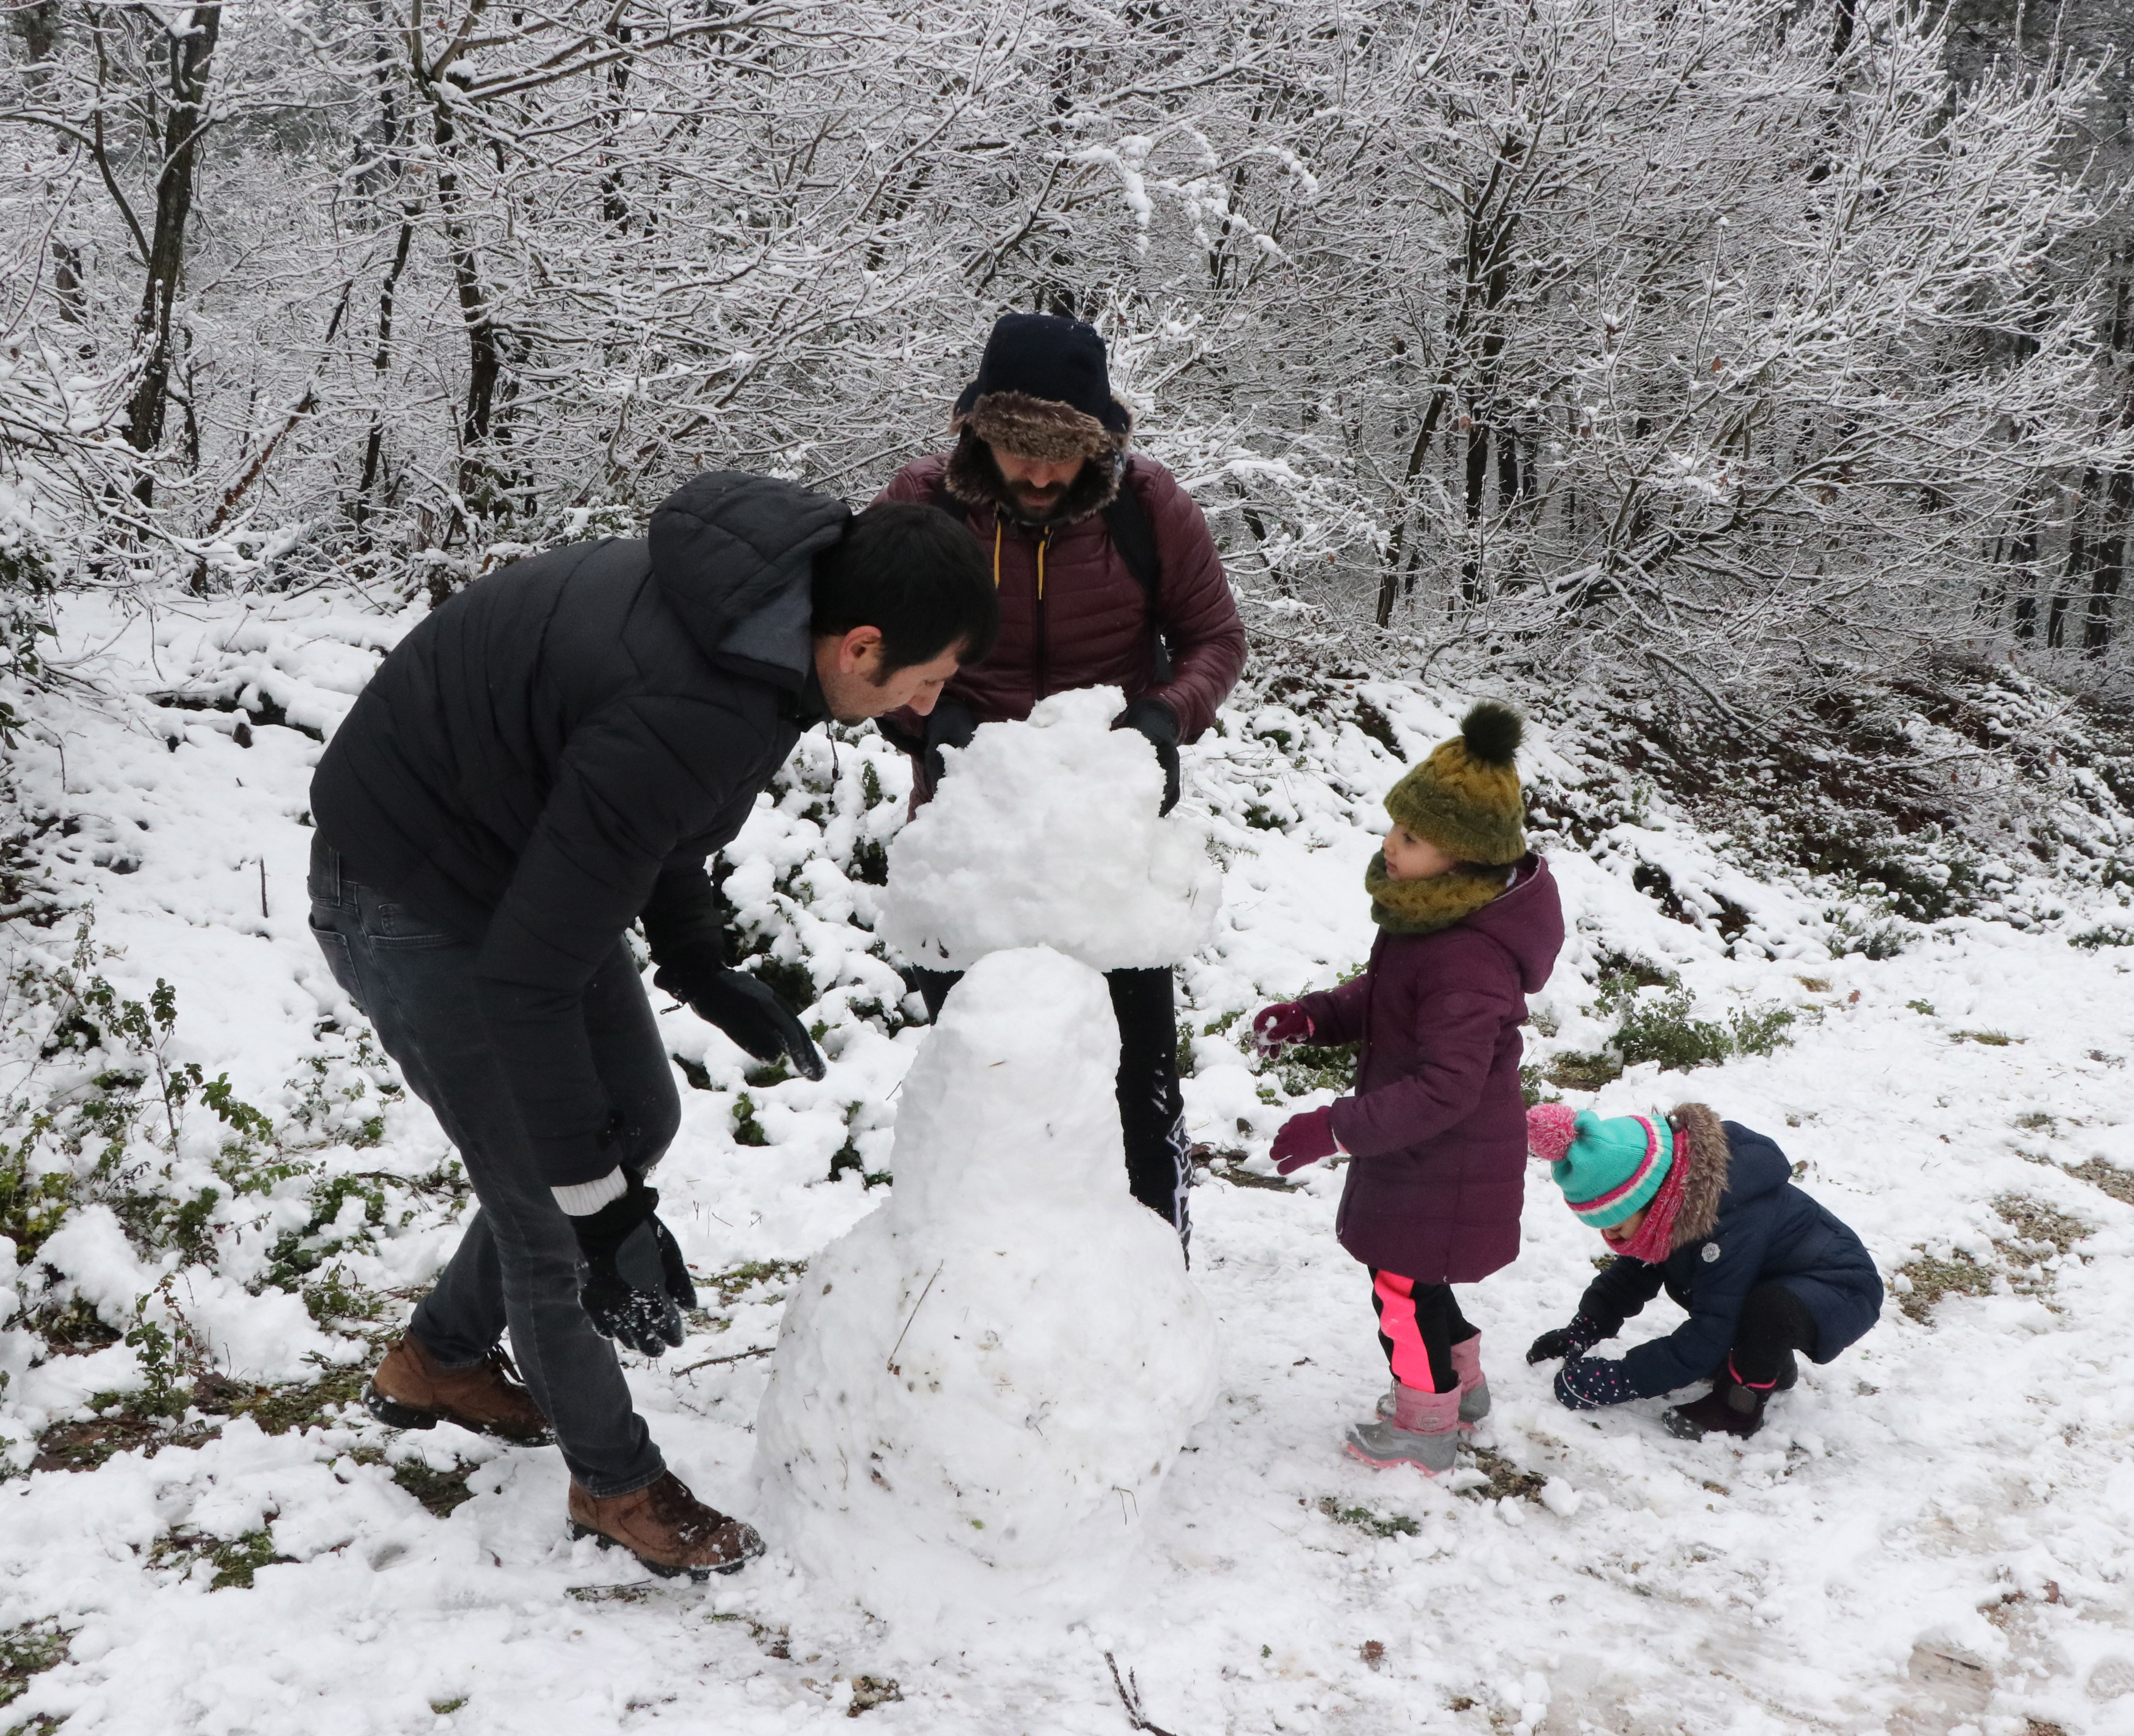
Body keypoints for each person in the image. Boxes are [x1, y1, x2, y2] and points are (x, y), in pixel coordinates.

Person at [307, 473, 997, 1577]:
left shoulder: (769, 631)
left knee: (639, 1112)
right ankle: (616, 1485)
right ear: (862, 645)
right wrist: (603, 1217)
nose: (926, 702)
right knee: (549, 1212)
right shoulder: (704, 694)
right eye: (926, 678)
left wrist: (700, 959)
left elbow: (655, 816)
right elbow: (529, 980)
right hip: (407, 888)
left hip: (508, 862)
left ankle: (436, 1358)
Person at [873, 312, 1247, 1249]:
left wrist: (1167, 717)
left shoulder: (1149, 507)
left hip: (1107, 842)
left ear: (1099, 444)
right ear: (977, 434)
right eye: (1015, 452)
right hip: (973, 832)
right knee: (985, 1072)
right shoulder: (923, 505)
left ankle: (1156, 1277)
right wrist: (931, 718)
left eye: (1061, 457)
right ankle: (977, 1288)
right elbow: (867, 643)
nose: (1038, 477)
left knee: (1138, 1074)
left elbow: (1216, 639)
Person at [1252, 704, 1564, 1473]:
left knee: (1399, 1286)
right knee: (1417, 1278)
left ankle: (1425, 1424)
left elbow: (1446, 1087)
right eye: (1396, 825)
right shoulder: (1434, 923)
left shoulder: (1468, 955)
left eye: (1413, 837)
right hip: (1426, 1154)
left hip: (1442, 1156)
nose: (1390, 845)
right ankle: (1463, 1386)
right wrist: (1316, 1017)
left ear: (1462, 858)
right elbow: (1388, 994)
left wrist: (1335, 1126)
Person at [1523, 1102, 1884, 1440]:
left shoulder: (1727, 1222)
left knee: (1767, 1309)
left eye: (1616, 1224)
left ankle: (1739, 1408)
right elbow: (1631, 1277)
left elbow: (1708, 1332)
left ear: (1650, 1199)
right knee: (1720, 1290)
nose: (1612, 1237)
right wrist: (1582, 1330)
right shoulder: (1671, 1208)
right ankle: (1766, 1364)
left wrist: (1621, 1379)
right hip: (1783, 1277)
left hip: (1842, 1287)